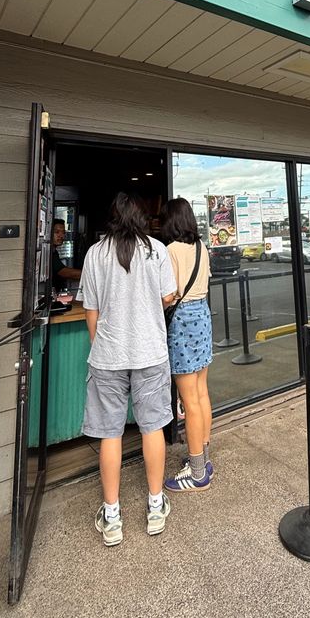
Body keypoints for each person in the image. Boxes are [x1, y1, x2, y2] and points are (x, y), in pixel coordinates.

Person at [80, 193, 178, 546]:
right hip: (150, 352)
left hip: (108, 355)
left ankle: (112, 517)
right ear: (141, 218)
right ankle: (155, 507)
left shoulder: (95, 253)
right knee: (152, 428)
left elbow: (91, 309)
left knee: (110, 433)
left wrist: (99, 345)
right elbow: (169, 296)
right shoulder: (156, 250)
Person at [161, 198, 214, 493]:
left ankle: (196, 474)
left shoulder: (170, 250)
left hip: (182, 321)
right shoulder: (201, 247)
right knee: (202, 392)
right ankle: (203, 458)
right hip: (203, 316)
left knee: (189, 399)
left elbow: (169, 295)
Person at [52, 218, 81, 293]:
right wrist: (90, 273)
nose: (61, 235)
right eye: (57, 232)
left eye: (63, 232)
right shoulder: (50, 253)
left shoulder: (55, 252)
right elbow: (63, 272)